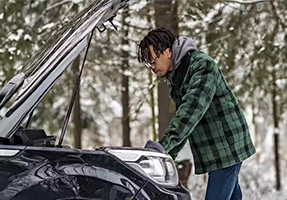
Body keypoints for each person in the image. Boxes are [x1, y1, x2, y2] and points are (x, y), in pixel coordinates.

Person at [138, 28, 256, 200]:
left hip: (227, 147)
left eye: (153, 60)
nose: (152, 67)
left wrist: (164, 149)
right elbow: (186, 123)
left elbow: (191, 111)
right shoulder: (177, 77)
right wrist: (167, 154)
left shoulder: (202, 66)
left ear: (167, 52)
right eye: (148, 64)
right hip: (216, 150)